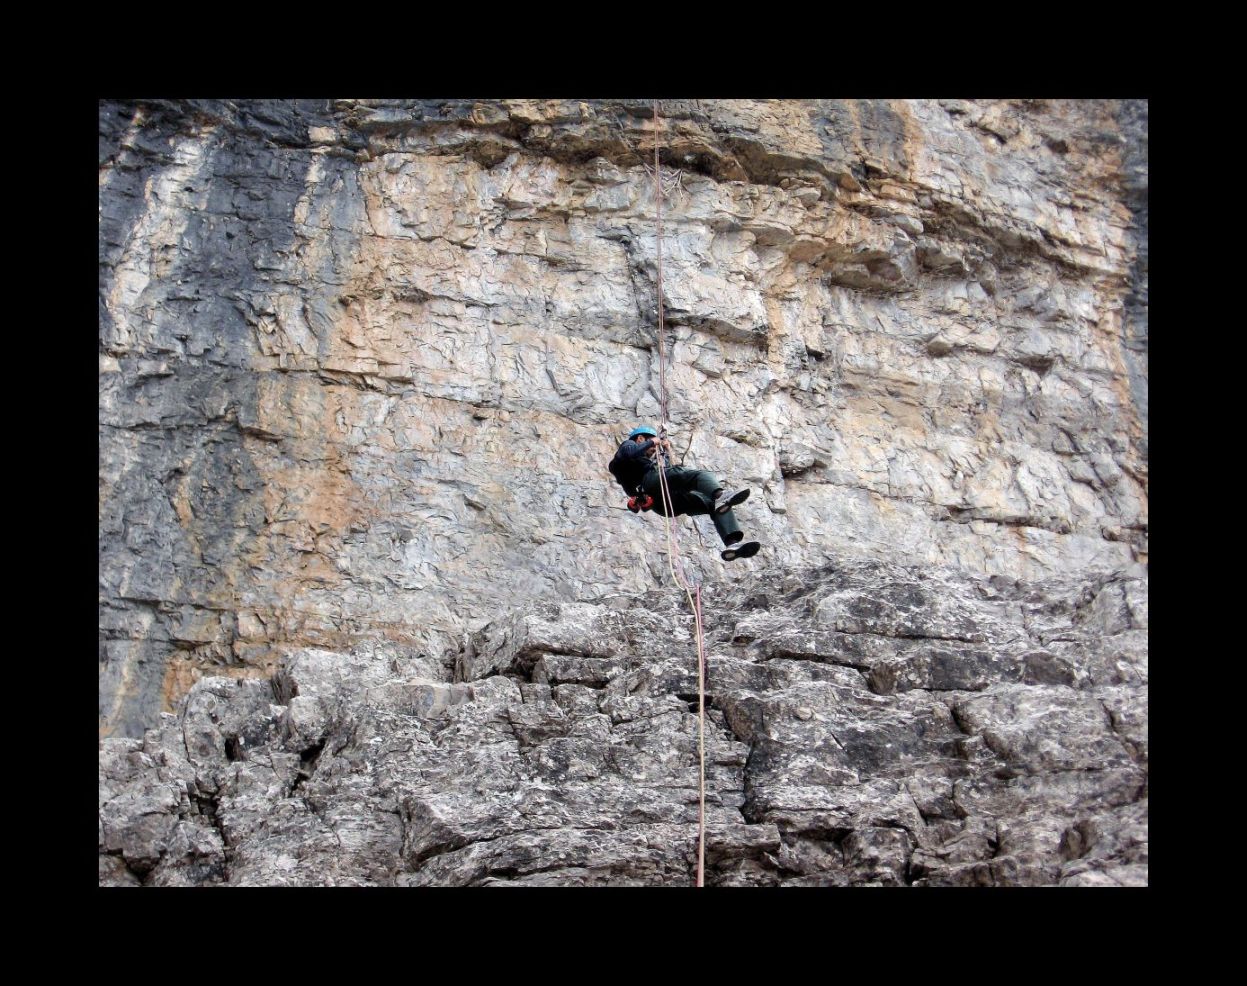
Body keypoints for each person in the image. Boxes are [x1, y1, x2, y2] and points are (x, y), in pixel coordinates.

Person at [608, 425, 761, 561]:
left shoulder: (634, 467)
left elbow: (665, 471)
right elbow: (631, 454)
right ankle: (719, 494)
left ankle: (732, 543)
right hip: (653, 484)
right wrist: (654, 441)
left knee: (711, 505)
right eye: (651, 447)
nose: (653, 450)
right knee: (700, 475)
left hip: (663, 504)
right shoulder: (628, 446)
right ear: (640, 438)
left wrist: (666, 451)